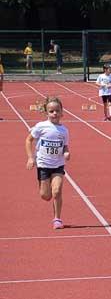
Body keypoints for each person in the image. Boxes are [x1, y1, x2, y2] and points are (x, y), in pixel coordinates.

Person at [25, 97, 70, 229]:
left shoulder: (64, 131)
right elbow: (28, 140)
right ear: (47, 113)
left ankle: (57, 219)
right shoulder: (41, 126)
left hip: (58, 165)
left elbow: (65, 146)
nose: (54, 113)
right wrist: (30, 157)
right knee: (46, 196)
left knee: (57, 191)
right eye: (51, 111)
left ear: (62, 112)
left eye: (57, 111)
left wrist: (67, 152)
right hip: (43, 165)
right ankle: (46, 188)